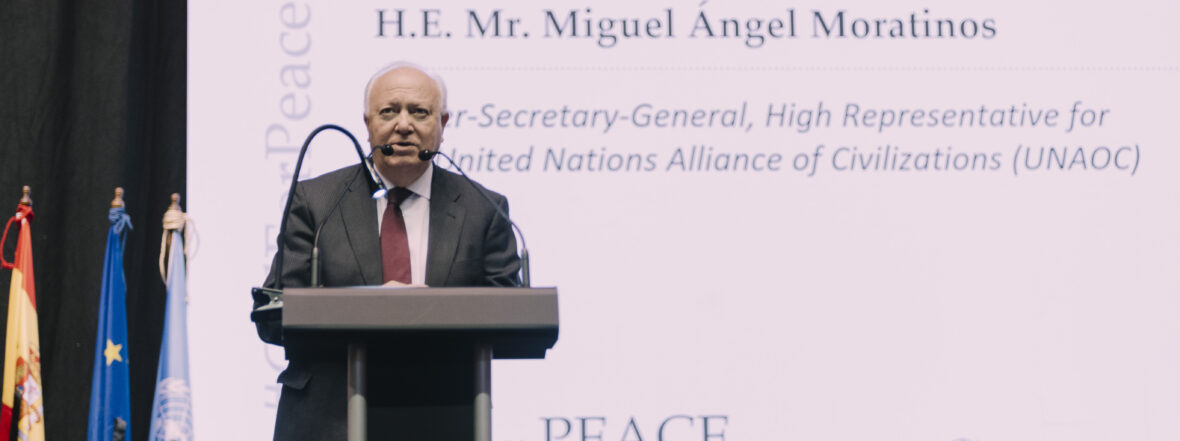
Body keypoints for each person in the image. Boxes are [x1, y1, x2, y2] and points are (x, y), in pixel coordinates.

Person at [253, 62, 522, 441]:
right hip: (327, 422)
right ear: (367, 124)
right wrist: (372, 306)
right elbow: (275, 315)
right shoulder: (316, 202)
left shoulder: (483, 208)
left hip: (444, 417)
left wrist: (435, 310)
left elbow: (510, 314)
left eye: (420, 112)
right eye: (389, 111)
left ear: (443, 123)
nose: (403, 124)